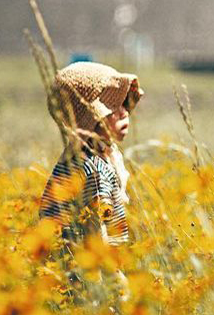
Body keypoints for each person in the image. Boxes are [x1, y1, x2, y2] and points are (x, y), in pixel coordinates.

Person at [39, 61, 142, 246]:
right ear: (90, 116)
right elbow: (98, 244)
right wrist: (117, 275)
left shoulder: (78, 157)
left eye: (125, 103)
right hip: (86, 269)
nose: (125, 112)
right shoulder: (94, 171)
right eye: (114, 105)